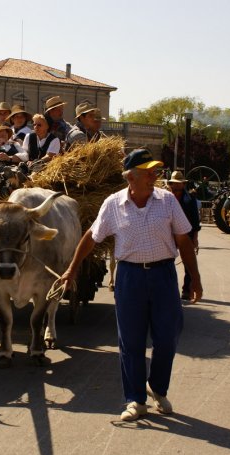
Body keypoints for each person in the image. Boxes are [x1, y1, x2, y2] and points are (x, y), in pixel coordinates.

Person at [60, 149, 202, 422]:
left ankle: (157, 387)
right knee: (131, 342)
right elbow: (92, 237)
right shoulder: (113, 204)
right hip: (129, 278)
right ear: (130, 177)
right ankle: (135, 400)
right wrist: (72, 269)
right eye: (148, 172)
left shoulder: (168, 202)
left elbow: (183, 241)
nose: (154, 176)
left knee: (168, 338)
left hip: (163, 276)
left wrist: (194, 279)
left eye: (155, 172)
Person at [166, 171, 201, 300]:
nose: (176, 186)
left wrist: (195, 238)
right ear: (170, 184)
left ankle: (186, 289)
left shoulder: (190, 199)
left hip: (186, 233)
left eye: (179, 183)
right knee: (167, 261)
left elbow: (195, 220)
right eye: (174, 184)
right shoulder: (165, 198)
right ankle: (168, 289)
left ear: (183, 184)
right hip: (169, 234)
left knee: (188, 262)